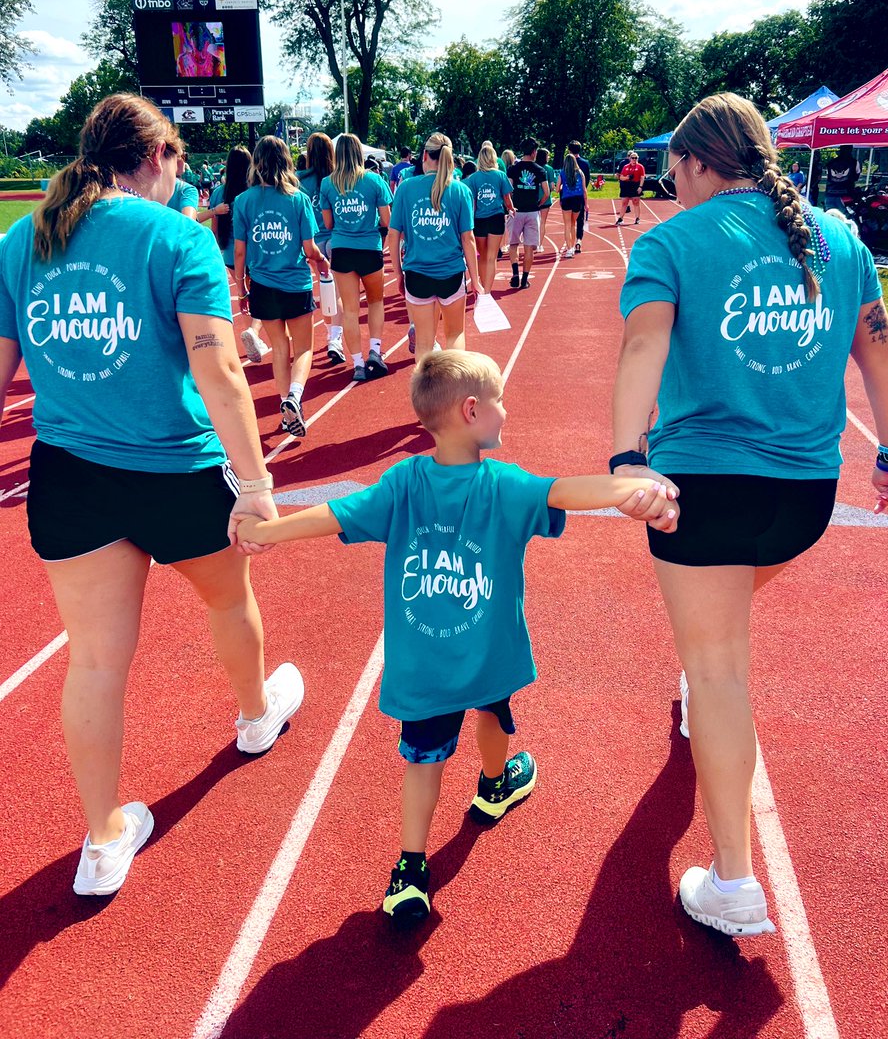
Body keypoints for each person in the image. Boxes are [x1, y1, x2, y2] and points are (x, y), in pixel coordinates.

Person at [236, 349, 679, 920]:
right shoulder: (505, 485)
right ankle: (494, 786)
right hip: (487, 656)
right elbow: (563, 491)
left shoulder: (401, 482)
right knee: (493, 716)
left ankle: (409, 872)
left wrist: (270, 531)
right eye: (499, 401)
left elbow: (333, 516)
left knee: (423, 762)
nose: (504, 411)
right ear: (472, 410)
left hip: (424, 668)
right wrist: (628, 490)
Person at [0, 94, 304, 896]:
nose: (179, 175)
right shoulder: (178, 236)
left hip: (71, 477)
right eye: (175, 162)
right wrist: (255, 484)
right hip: (176, 470)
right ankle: (253, 716)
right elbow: (221, 372)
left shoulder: (19, 242)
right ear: (161, 156)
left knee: (95, 660)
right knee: (228, 600)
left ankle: (101, 843)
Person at [612, 92, 888, 937]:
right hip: (805, 500)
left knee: (719, 669)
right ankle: (707, 690)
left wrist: (628, 455)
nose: (670, 187)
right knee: (718, 648)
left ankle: (735, 881)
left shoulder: (670, 242)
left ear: (699, 162)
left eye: (673, 172)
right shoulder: (839, 238)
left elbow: (641, 346)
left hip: (702, 489)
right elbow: (879, 348)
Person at [232, 136, 322, 438]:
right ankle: (294, 397)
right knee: (305, 347)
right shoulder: (298, 199)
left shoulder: (243, 201)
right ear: (286, 161)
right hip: (295, 283)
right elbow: (310, 248)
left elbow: (240, 252)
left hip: (262, 285)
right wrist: (321, 262)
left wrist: (242, 287)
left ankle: (286, 408)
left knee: (280, 348)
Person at [387, 132, 482, 360]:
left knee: (424, 342)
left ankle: (423, 395)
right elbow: (467, 239)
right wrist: (475, 280)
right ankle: (455, 391)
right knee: (455, 333)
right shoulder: (460, 191)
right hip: (451, 274)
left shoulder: (406, 188)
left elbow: (393, 235)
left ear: (424, 156)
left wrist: (398, 273)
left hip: (417, 273)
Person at [319, 134, 393, 382]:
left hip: (342, 249)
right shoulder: (374, 181)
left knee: (350, 310)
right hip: (369, 247)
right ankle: (375, 350)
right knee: (375, 302)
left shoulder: (327, 183)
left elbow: (328, 223)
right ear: (359, 153)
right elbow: (387, 221)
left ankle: (358, 364)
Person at [209, 146, 270, 366]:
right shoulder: (254, 192)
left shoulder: (219, 192)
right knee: (261, 294)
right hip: (255, 252)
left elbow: (214, 229)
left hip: (229, 253)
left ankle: (251, 332)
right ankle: (255, 332)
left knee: (244, 296)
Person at [298, 132, 344, 366]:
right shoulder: (337, 179)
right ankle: (335, 338)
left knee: (325, 289)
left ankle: (331, 335)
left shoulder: (298, 179)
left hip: (312, 242)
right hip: (336, 237)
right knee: (336, 291)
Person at [463, 141, 514, 295]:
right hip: (496, 218)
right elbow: (507, 198)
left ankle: (482, 287)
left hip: (479, 220)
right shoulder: (500, 175)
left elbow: (472, 202)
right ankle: (487, 291)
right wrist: (512, 209)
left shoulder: (473, 178)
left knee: (483, 256)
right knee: (492, 257)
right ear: (493, 158)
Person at [506, 138, 549, 290]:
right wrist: (539, 203)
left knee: (513, 244)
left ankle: (515, 273)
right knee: (529, 247)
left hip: (516, 211)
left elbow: (508, 189)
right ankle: (525, 279)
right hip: (532, 212)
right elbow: (546, 192)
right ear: (533, 152)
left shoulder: (513, 168)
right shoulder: (539, 169)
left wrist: (511, 204)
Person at [556, 152, 587, 257]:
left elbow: (556, 189)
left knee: (567, 225)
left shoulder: (562, 172)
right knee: (573, 223)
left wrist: (561, 188)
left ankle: (569, 249)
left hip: (566, 199)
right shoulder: (580, 172)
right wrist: (586, 204)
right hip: (578, 200)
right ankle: (572, 246)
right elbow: (584, 190)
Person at [823, 145, 861, 212]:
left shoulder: (831, 162)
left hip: (830, 193)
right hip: (846, 195)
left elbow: (828, 177)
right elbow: (856, 177)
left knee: (829, 217)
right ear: (851, 150)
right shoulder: (854, 162)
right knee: (844, 218)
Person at [567, 140, 591, 245]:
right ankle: (579, 239)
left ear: (569, 150)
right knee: (580, 218)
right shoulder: (585, 163)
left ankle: (570, 241)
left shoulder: (566, 162)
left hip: (567, 195)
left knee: (568, 219)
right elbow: (588, 178)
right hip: (580, 194)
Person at [615, 150, 645, 225]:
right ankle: (621, 218)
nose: (634, 159)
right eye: (632, 158)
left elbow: (642, 177)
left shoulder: (640, 167)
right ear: (630, 158)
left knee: (636, 202)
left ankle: (637, 218)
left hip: (635, 185)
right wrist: (627, 177)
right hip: (626, 185)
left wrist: (640, 186)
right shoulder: (625, 167)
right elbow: (621, 177)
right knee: (624, 202)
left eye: (635, 158)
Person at [536, 147, 555, 252]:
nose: (549, 157)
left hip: (534, 198)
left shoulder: (534, 167)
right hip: (546, 199)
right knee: (542, 222)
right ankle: (539, 244)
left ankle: (532, 243)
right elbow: (552, 186)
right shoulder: (549, 169)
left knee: (532, 222)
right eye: (548, 156)